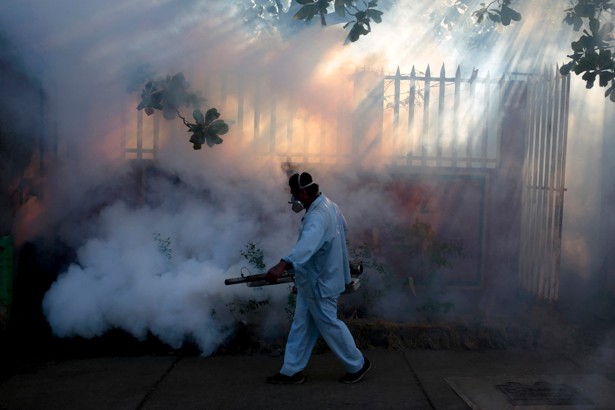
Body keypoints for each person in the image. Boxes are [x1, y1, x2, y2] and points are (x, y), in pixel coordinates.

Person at [266, 172, 371, 384]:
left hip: (320, 283)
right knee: (302, 324)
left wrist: (283, 264)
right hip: (314, 280)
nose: (294, 199)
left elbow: (306, 245)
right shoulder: (330, 205)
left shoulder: (317, 216)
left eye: (295, 194)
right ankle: (291, 371)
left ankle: (357, 364)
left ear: (304, 192)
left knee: (329, 324)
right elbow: (343, 228)